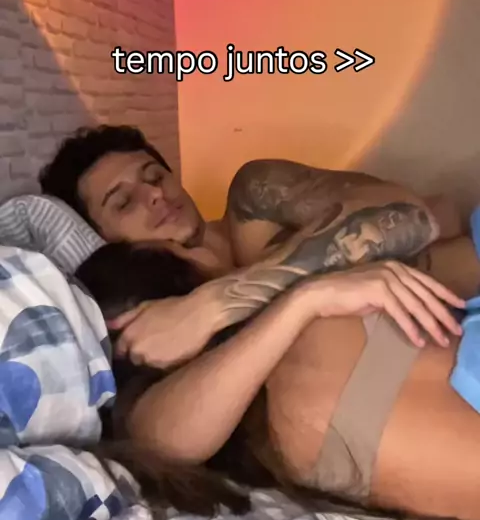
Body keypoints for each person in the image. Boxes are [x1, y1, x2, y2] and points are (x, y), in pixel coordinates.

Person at [75, 230, 480, 520]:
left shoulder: (281, 411)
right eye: (183, 249)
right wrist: (304, 300)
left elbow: (434, 224)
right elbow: (157, 440)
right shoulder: (300, 349)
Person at [39, 124, 462, 367]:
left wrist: (211, 305)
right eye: (124, 202)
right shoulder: (164, 326)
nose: (154, 194)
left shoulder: (255, 200)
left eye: (155, 176)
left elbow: (414, 215)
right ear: (100, 242)